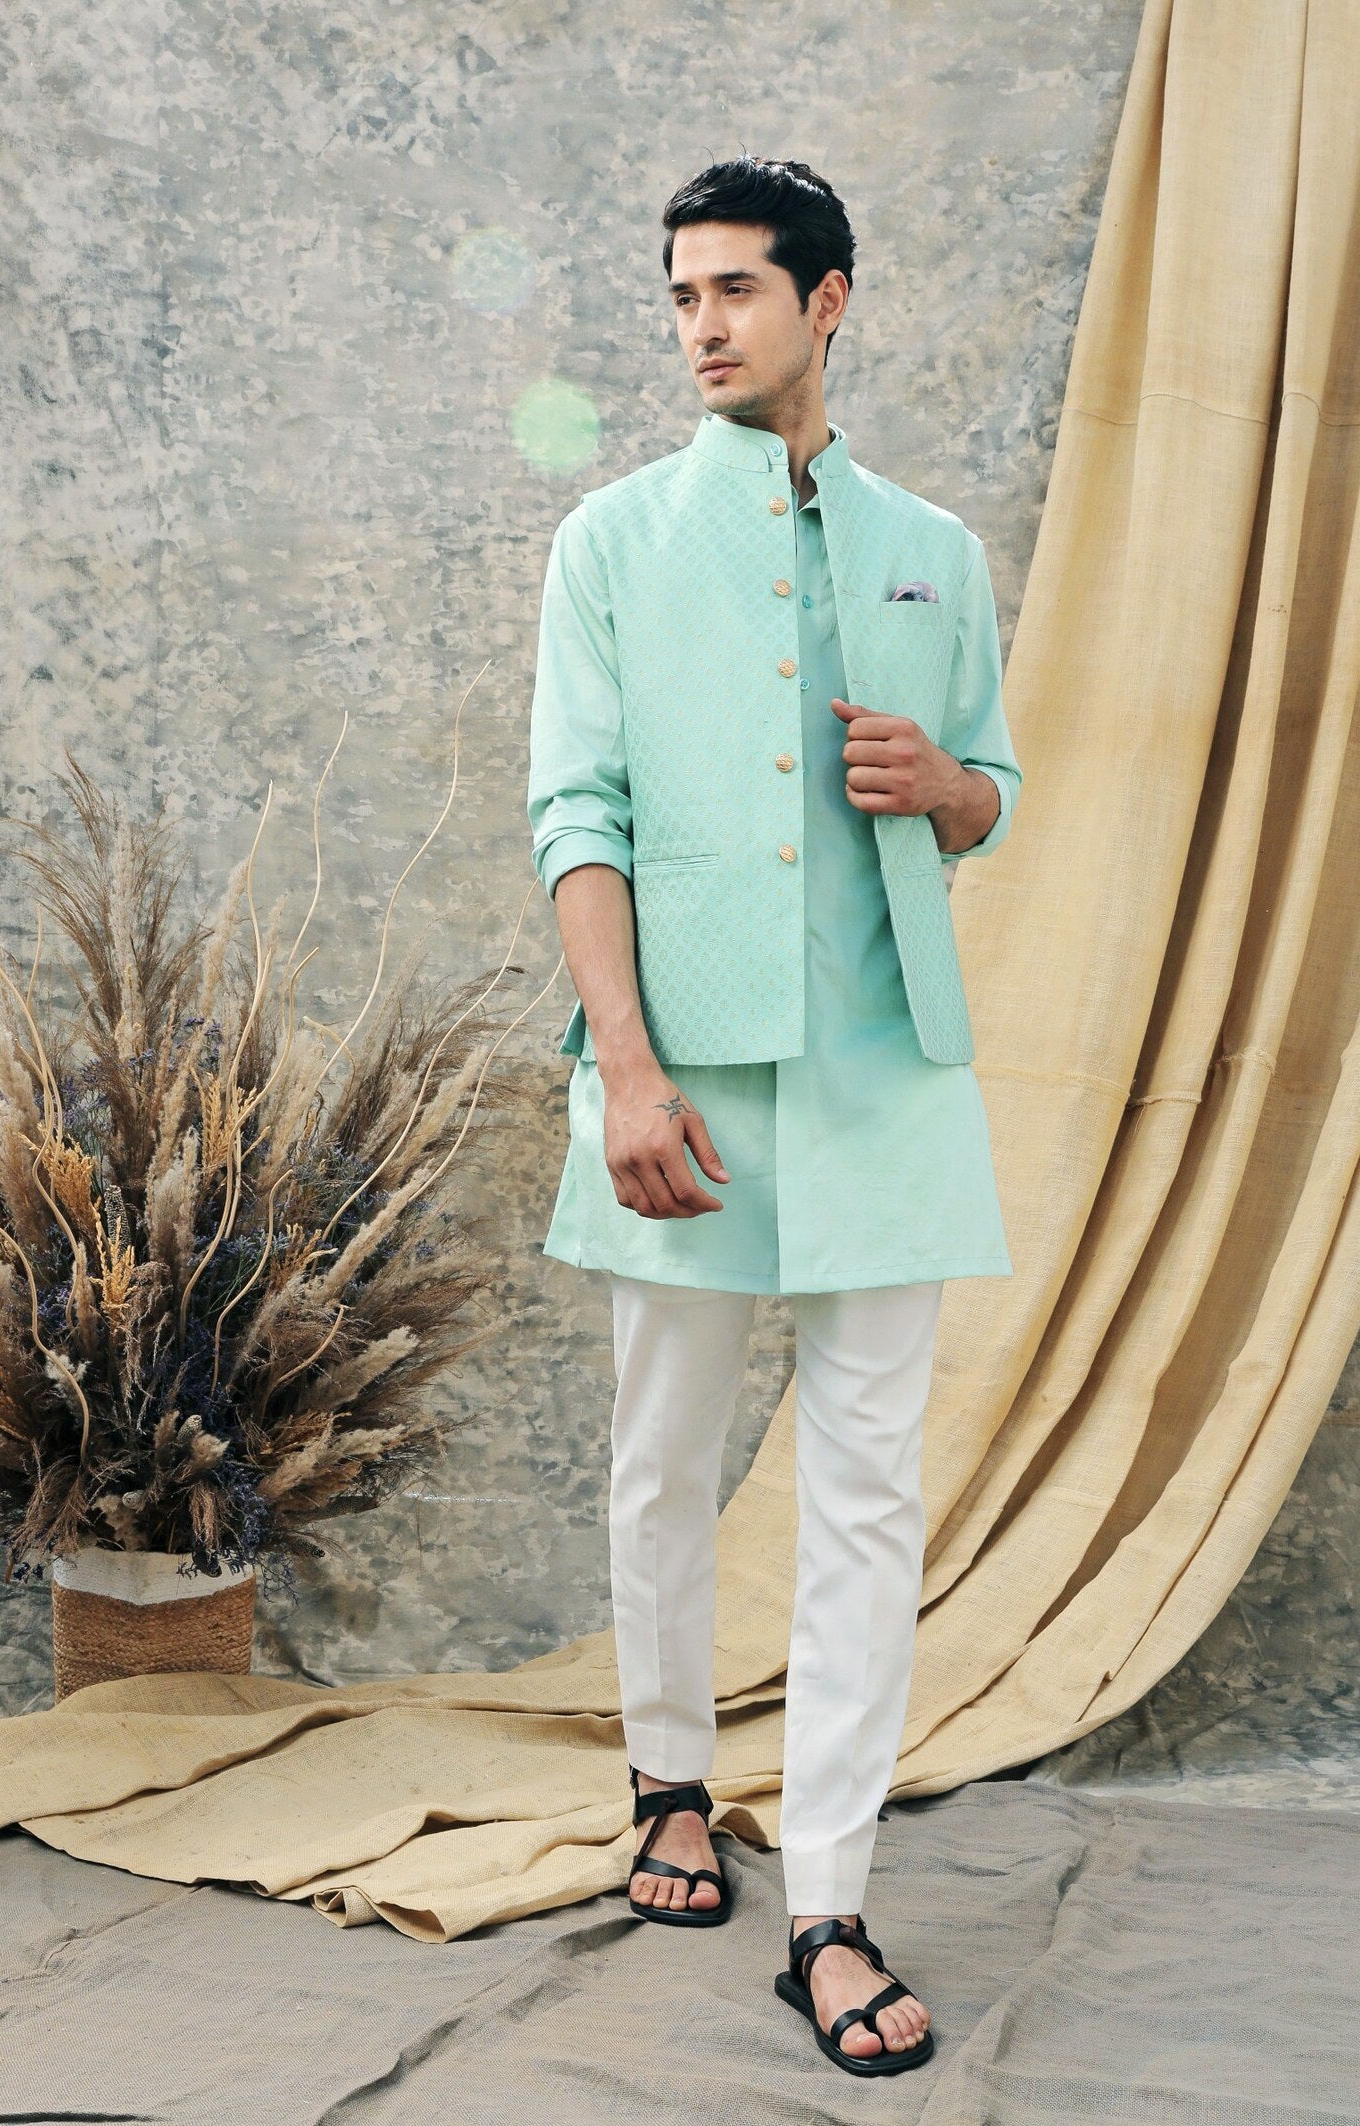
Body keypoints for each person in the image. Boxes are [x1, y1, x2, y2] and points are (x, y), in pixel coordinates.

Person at [524, 154, 1021, 2079]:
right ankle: (669, 1778)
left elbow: (991, 786)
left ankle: (827, 1896)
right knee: (664, 1452)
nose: (703, 325)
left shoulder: (934, 550)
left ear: (829, 302)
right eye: (681, 295)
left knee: (869, 1494)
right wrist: (626, 1069)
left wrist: (951, 792)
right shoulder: (612, 544)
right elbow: (579, 816)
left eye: (737, 288)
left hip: (890, 1077)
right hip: (689, 1077)